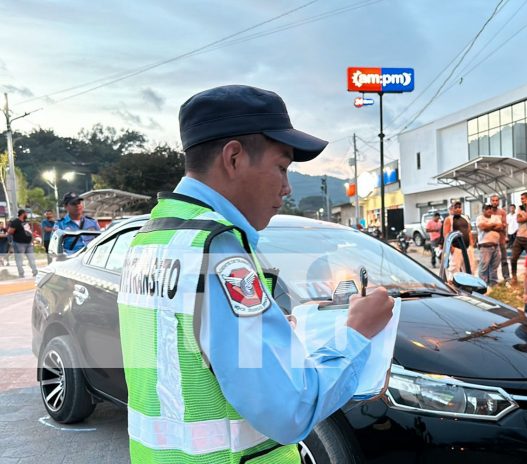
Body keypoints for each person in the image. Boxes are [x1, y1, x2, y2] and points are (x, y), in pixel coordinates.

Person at [117, 84, 395, 463]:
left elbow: (187, 354)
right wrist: (357, 335)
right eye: (281, 168)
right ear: (233, 158)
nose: (285, 188)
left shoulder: (152, 238)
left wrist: (271, 333)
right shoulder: (218, 253)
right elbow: (289, 410)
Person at [442, 201, 471, 277]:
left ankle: (467, 286)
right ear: (451, 209)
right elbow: (446, 234)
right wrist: (451, 248)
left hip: (467, 248)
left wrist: (471, 245)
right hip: (456, 248)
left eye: (459, 207)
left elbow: (469, 232)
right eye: (456, 207)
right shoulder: (449, 219)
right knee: (454, 270)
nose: (458, 209)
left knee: (468, 269)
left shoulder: (465, 218)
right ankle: (453, 287)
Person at [476, 204, 503, 285]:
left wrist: (488, 226)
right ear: (483, 210)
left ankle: (493, 284)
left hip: (496, 246)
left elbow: (500, 227)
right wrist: (493, 225)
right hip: (485, 246)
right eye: (487, 209)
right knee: (483, 267)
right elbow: (483, 227)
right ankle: (482, 285)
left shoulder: (496, 217)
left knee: (494, 267)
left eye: (490, 209)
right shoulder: (480, 218)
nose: (489, 210)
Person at [7, 209, 38, 278]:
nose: (27, 215)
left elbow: (28, 231)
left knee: (32, 259)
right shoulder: (15, 222)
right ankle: (21, 274)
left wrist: (32, 239)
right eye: (26, 214)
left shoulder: (25, 222)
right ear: (23, 214)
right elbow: (9, 231)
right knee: (19, 260)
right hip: (19, 244)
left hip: (28, 244)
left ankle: (35, 272)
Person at [490, 194, 511, 281]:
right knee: (491, 261)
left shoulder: (502, 212)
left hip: (501, 239)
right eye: (493, 200)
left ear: (498, 201)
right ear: (490, 201)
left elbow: (503, 225)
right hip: (491, 240)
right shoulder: (488, 211)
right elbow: (486, 226)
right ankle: (492, 279)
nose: (495, 202)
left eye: (496, 200)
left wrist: (493, 226)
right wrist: (498, 225)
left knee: (504, 260)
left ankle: (507, 278)